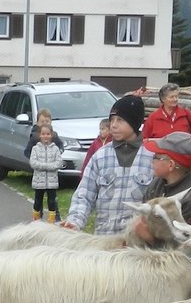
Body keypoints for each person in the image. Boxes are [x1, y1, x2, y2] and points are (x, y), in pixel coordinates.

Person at [64, 94, 155, 236]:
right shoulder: (100, 156)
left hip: (137, 245)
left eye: (120, 120)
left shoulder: (151, 157)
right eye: (112, 120)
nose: (113, 125)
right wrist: (75, 221)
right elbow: (84, 194)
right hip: (104, 241)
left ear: (135, 122)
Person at [145, 131, 191, 224]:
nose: (151, 161)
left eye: (156, 157)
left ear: (170, 165)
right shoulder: (158, 182)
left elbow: (187, 236)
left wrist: (146, 233)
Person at [28, 120, 63, 222]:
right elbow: (33, 163)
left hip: (51, 181)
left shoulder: (55, 149)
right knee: (38, 200)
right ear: (40, 135)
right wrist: (47, 166)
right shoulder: (35, 148)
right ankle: (36, 219)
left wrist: (48, 166)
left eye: (48, 134)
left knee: (52, 201)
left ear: (51, 135)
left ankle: (51, 220)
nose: (45, 136)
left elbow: (59, 163)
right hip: (39, 181)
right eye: (43, 134)